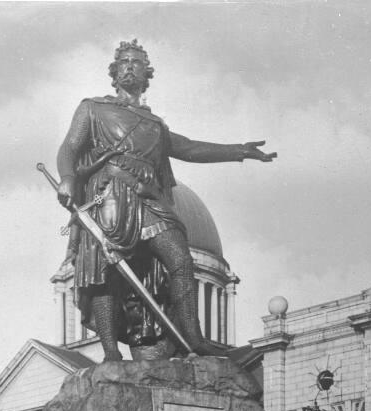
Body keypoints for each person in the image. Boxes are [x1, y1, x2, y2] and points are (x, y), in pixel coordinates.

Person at [57, 39, 276, 361]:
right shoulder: (93, 108)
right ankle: (110, 353)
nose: (129, 66)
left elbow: (188, 148)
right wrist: (67, 178)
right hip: (110, 196)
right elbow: (69, 149)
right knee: (107, 272)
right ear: (114, 72)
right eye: (124, 62)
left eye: (136, 62)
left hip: (148, 197)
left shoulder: (154, 124)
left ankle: (193, 338)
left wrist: (238, 150)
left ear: (147, 74)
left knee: (180, 261)